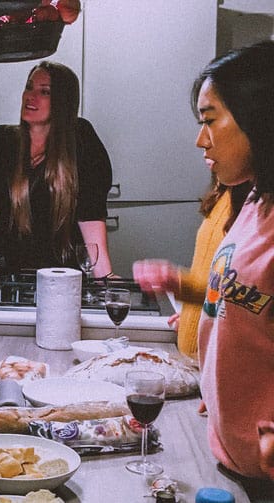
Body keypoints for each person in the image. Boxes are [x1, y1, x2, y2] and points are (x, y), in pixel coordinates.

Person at [192, 40, 274, 484]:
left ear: (259, 118)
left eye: (209, 121)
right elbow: (245, 304)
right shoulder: (256, 201)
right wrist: (220, 387)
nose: (200, 138)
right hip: (229, 457)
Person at [0, 61, 115, 277]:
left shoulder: (81, 140)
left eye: (45, 92)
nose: (31, 96)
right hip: (3, 275)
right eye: (29, 87)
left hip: (62, 276)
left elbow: (90, 215)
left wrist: (105, 278)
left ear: (63, 102)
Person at [132, 177, 252, 359]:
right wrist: (190, 316)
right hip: (195, 359)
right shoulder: (225, 191)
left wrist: (180, 283)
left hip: (222, 364)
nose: (202, 146)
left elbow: (250, 297)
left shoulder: (258, 204)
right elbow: (215, 277)